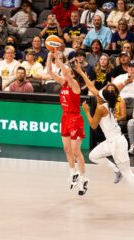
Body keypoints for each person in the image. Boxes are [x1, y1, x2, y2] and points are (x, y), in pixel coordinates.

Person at [76, 61, 134, 214]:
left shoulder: (101, 108)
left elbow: (93, 126)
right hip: (112, 141)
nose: (100, 90)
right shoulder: (107, 100)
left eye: (106, 88)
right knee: (93, 155)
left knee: (128, 173)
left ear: (103, 95)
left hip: (118, 143)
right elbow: (92, 88)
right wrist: (81, 73)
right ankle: (116, 170)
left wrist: (86, 111)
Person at [46, 51, 88, 195]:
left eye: (68, 71)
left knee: (76, 151)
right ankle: (73, 173)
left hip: (75, 118)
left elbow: (65, 72)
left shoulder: (74, 84)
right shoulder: (64, 83)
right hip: (65, 117)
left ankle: (84, 178)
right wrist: (49, 55)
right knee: (66, 149)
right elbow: (49, 71)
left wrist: (58, 59)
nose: (65, 72)